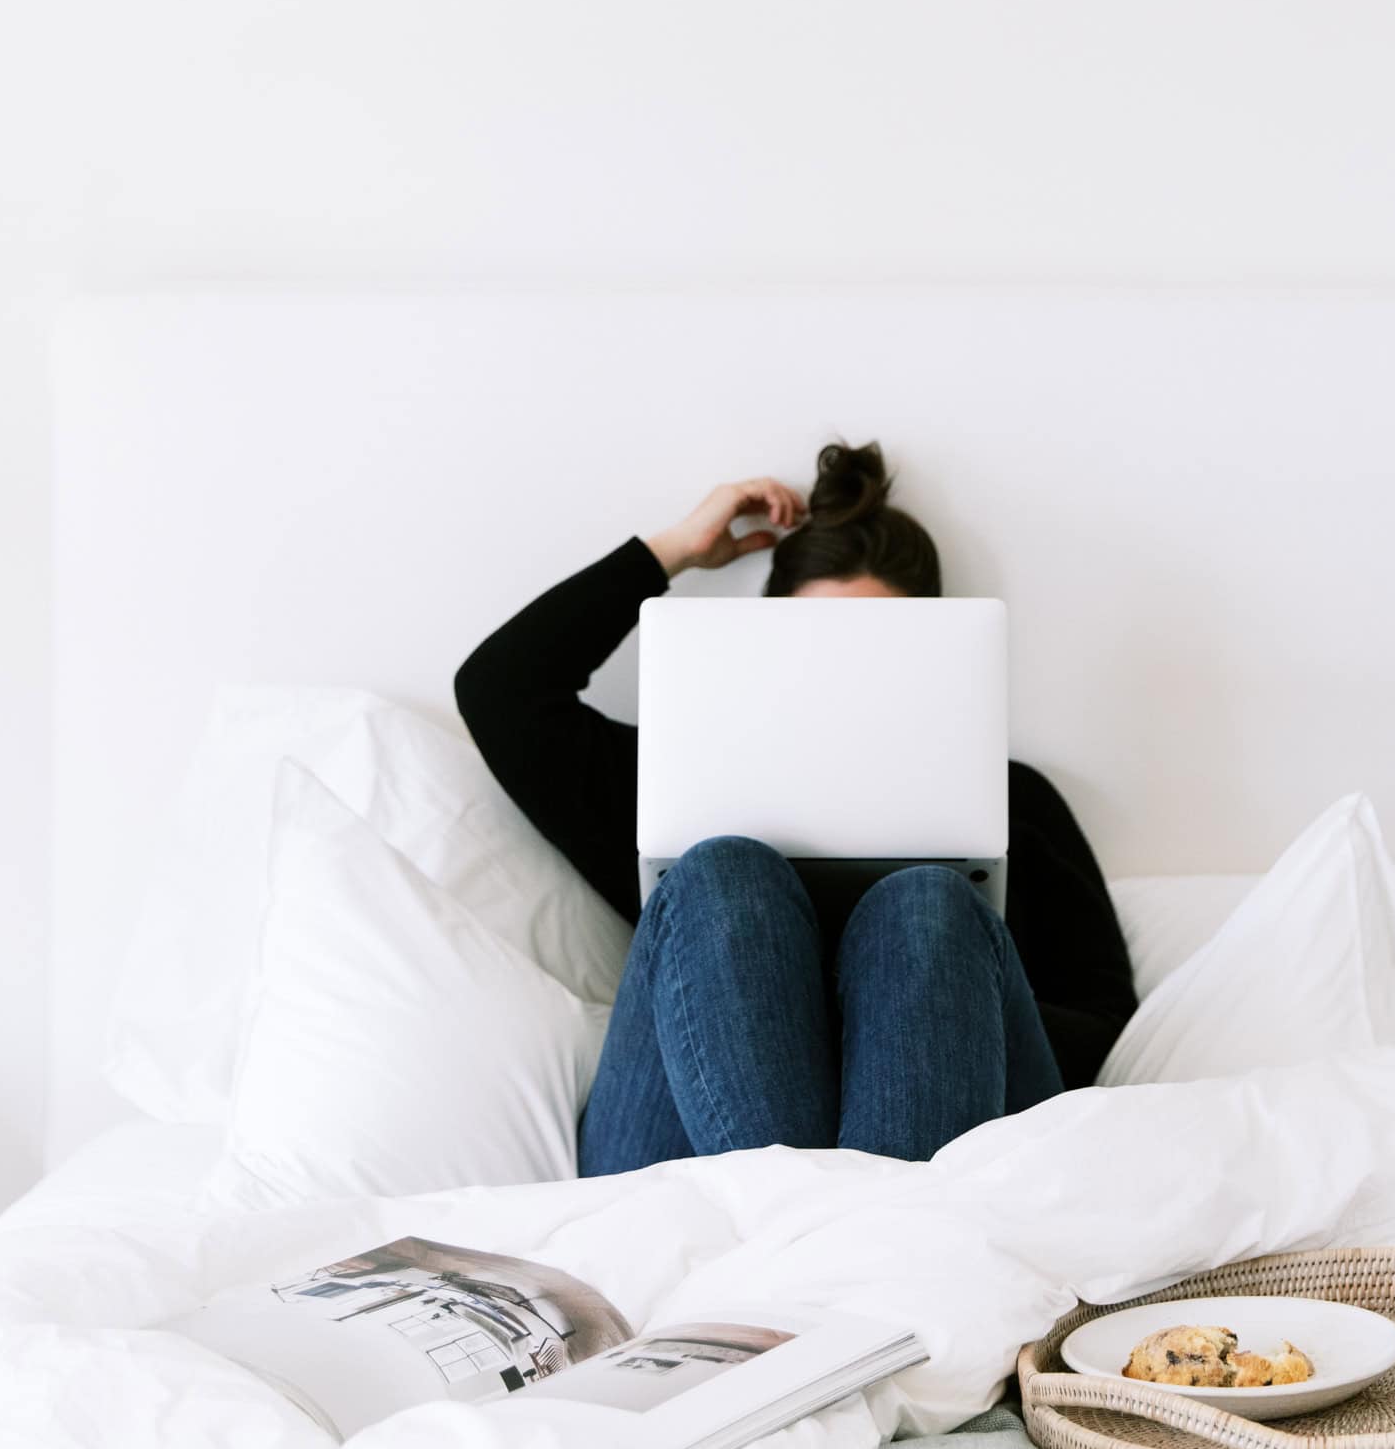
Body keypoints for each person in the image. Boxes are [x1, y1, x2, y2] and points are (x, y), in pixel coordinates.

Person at [454, 440, 1134, 1175]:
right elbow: (502, 693)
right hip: (689, 1142)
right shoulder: (683, 781)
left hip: (944, 1108)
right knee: (725, 870)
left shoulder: (1010, 803)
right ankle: (843, 1227)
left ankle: (826, 1229)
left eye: (875, 651)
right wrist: (674, 551)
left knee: (926, 905)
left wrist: (909, 1009)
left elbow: (1104, 1025)